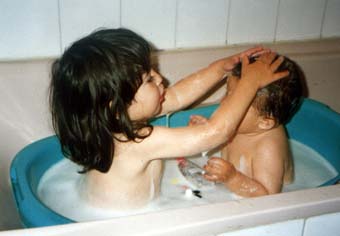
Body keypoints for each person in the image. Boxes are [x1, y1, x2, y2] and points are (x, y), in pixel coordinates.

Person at [49, 28, 288, 209]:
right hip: (121, 225)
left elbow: (178, 95)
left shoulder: (116, 121)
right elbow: (215, 133)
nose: (160, 79)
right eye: (149, 80)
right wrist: (250, 83)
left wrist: (222, 69)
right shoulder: (135, 142)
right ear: (117, 105)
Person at [190, 55, 303, 197]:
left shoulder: (267, 147)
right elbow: (219, 142)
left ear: (264, 122)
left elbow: (267, 196)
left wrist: (233, 179)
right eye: (228, 93)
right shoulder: (241, 124)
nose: (224, 102)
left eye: (238, 100)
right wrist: (205, 132)